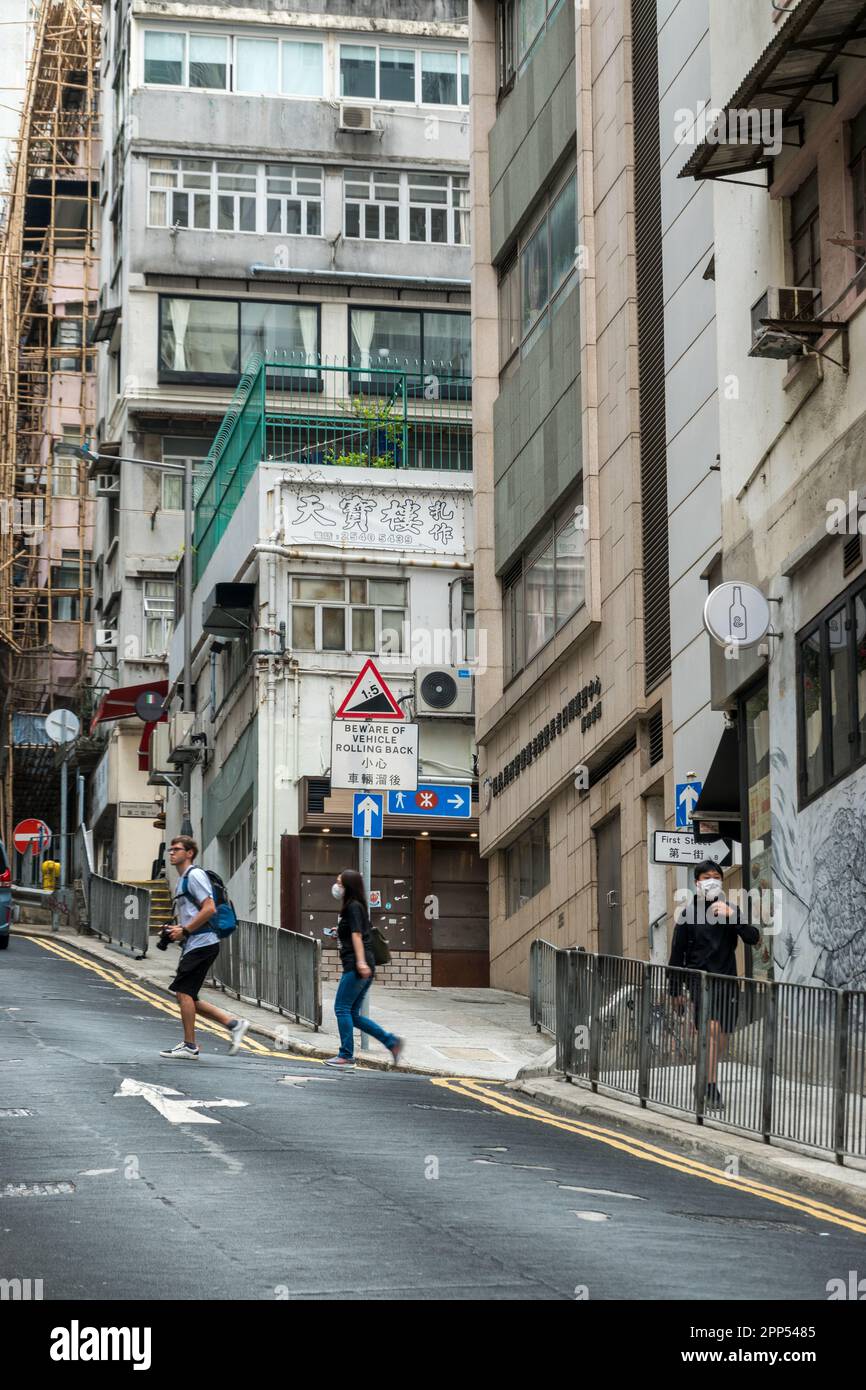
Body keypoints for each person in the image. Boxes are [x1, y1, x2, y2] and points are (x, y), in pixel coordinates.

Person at [668, 860, 760, 1112]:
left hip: (728, 982)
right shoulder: (687, 915)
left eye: (716, 876)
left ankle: (705, 1078)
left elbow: (753, 937)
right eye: (706, 876)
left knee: (721, 1038)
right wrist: (675, 991)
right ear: (697, 883)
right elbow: (677, 956)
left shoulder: (730, 909)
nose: (712, 880)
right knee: (711, 1030)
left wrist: (734, 919)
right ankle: (710, 1087)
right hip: (700, 983)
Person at [159, 835, 250, 1060]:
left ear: (189, 853)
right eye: (170, 849)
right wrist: (177, 930)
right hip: (196, 944)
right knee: (187, 996)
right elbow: (195, 913)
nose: (171, 852)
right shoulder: (183, 879)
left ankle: (190, 1045)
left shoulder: (195, 875)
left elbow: (209, 909)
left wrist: (186, 930)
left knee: (184, 992)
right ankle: (234, 1024)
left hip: (203, 943)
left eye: (177, 849)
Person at [325, 869, 403, 1070]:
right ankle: (391, 1042)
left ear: (348, 887)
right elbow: (354, 933)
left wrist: (360, 963)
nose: (336, 887)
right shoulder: (354, 907)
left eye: (339, 883)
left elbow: (358, 936)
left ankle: (346, 1055)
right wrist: (338, 932)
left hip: (357, 965)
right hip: (362, 965)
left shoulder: (353, 907)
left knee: (341, 1009)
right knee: (353, 1014)